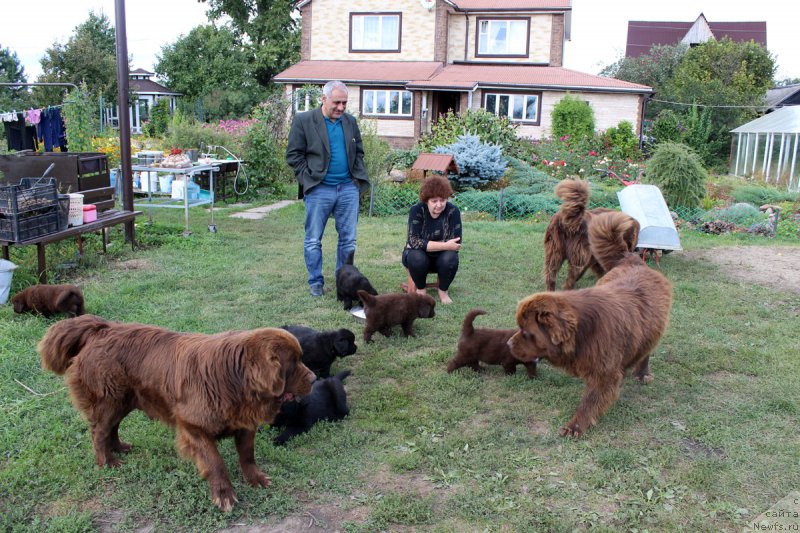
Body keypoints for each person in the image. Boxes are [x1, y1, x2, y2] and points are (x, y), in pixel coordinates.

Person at [286, 81, 370, 297]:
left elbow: (358, 151)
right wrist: (308, 180)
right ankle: (316, 281)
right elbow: (294, 155)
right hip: (319, 189)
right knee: (314, 239)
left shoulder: (350, 122)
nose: (341, 108)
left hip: (348, 188)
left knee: (348, 240)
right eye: (337, 103)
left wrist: (356, 179)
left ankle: (344, 280)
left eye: (344, 103)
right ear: (323, 99)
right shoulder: (304, 120)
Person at [402, 176, 462, 305]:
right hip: (417, 257)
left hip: (441, 258)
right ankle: (421, 291)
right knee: (416, 256)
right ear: (426, 200)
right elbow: (414, 241)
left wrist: (424, 244)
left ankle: (443, 291)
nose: (439, 205)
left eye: (443, 200)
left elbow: (456, 243)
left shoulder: (453, 211)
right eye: (434, 201)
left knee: (451, 258)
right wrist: (446, 245)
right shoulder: (417, 210)